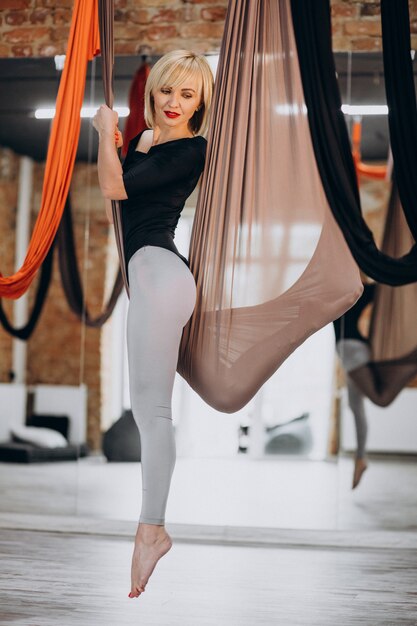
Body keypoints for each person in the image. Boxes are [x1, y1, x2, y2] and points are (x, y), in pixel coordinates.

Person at [93, 50, 214, 598]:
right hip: (148, 278)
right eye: (168, 90)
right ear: (155, 92)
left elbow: (115, 190)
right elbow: (120, 189)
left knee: (155, 412)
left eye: (187, 94)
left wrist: (101, 133)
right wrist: (122, 140)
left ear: (201, 104)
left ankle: (152, 529)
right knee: (147, 410)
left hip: (162, 275)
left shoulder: (193, 149)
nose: (173, 102)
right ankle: (151, 529)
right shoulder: (144, 143)